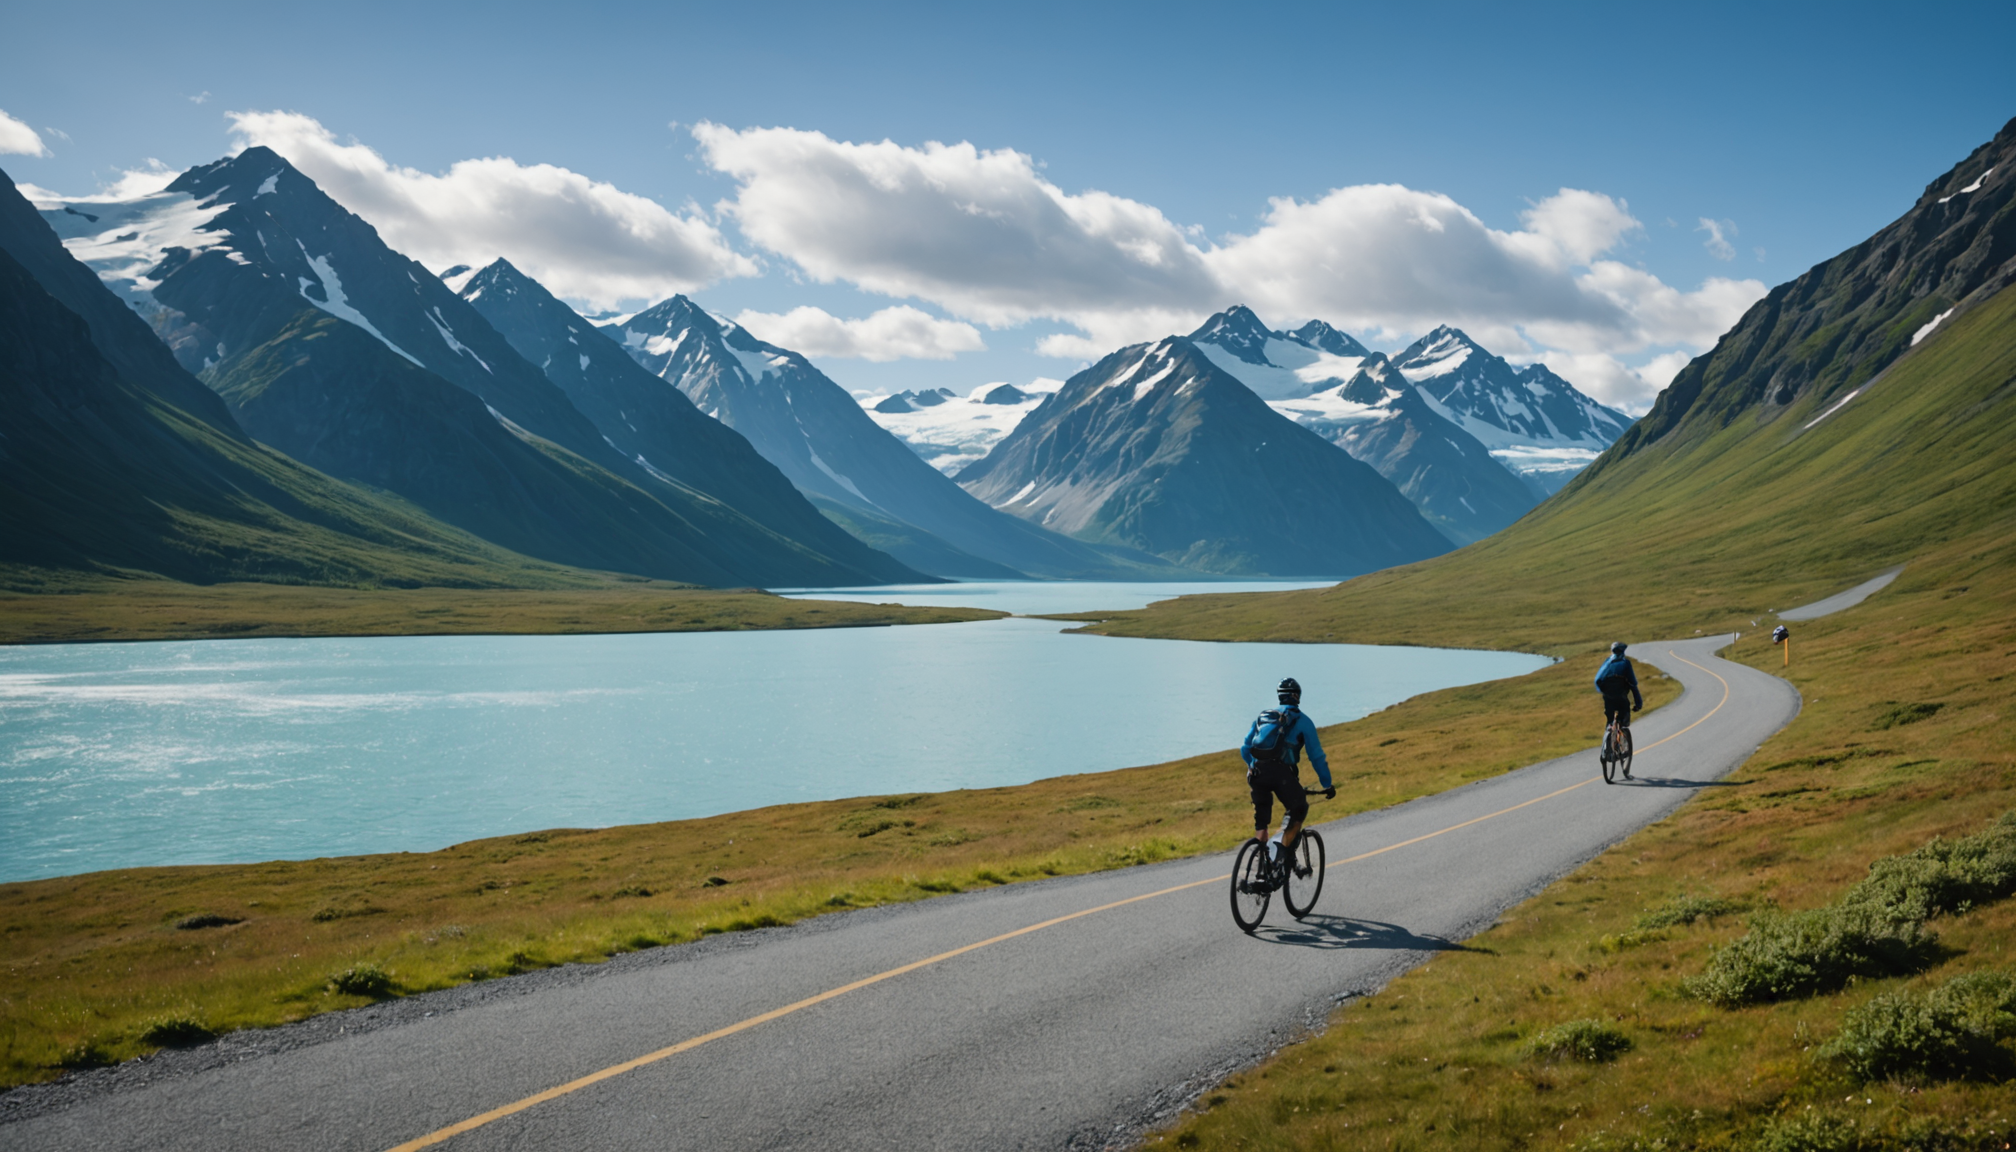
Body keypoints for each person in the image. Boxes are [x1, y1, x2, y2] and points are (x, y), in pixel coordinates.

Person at [1241, 677, 1334, 872]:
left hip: (1256, 773)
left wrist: (1252, 765)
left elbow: (1245, 747)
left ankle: (1260, 869)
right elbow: (1317, 757)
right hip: (1282, 775)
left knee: (1262, 823)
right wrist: (1327, 784)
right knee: (1298, 808)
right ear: (1297, 697)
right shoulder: (1303, 721)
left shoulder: (1264, 716)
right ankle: (1279, 855)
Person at [1594, 641, 1643, 763]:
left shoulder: (1607, 661)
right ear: (1623, 652)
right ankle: (1622, 742)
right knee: (1623, 717)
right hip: (1621, 698)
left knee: (1610, 720)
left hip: (1608, 697)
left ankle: (1606, 748)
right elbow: (1633, 684)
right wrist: (1638, 704)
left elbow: (1598, 681)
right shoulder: (1625, 663)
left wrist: (1605, 693)